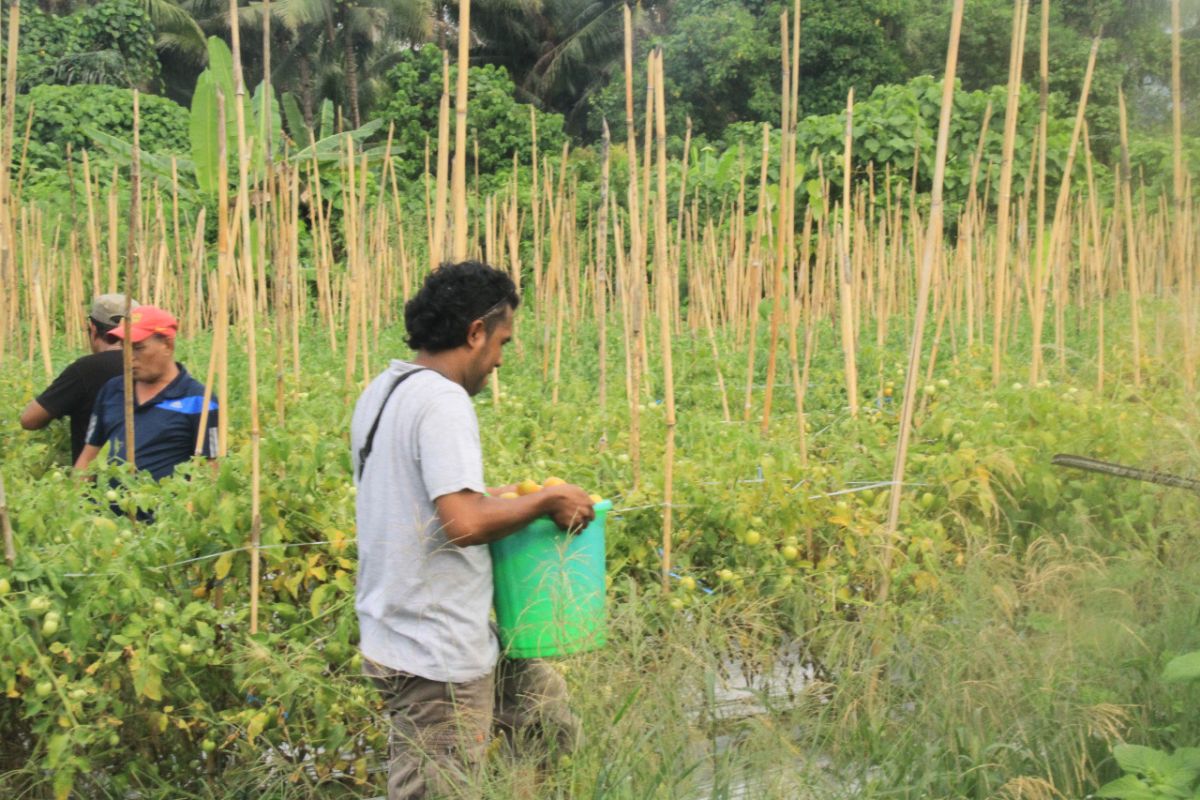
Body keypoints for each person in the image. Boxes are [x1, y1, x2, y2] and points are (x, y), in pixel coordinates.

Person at [351, 261, 596, 799]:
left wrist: (506, 498)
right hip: (434, 652)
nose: (500, 361)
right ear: (475, 332)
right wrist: (546, 499)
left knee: (547, 718)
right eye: (503, 341)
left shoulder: (386, 389)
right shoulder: (443, 400)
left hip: (413, 630)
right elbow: (462, 523)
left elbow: (423, 498)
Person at [74, 306, 218, 480]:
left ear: (167, 345)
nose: (129, 356)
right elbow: (89, 457)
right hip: (107, 507)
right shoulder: (112, 391)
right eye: (125, 347)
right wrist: (73, 501)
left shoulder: (199, 401)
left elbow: (211, 470)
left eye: (138, 347)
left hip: (167, 507)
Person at [20, 294, 140, 462]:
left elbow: (29, 419)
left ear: (93, 328)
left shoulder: (85, 369)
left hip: (92, 481)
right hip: (144, 481)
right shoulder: (153, 369)